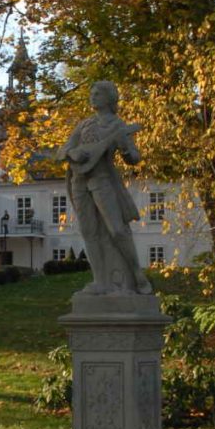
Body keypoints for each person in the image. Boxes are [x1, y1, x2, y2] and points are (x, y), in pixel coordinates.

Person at [59, 80, 153, 296]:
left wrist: (127, 153)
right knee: (88, 232)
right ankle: (100, 281)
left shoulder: (117, 126)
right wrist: (72, 153)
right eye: (91, 93)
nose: (93, 96)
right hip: (79, 181)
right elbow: (63, 150)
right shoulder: (84, 124)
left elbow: (134, 156)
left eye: (98, 93)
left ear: (110, 99)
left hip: (102, 180)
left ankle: (137, 274)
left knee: (117, 229)